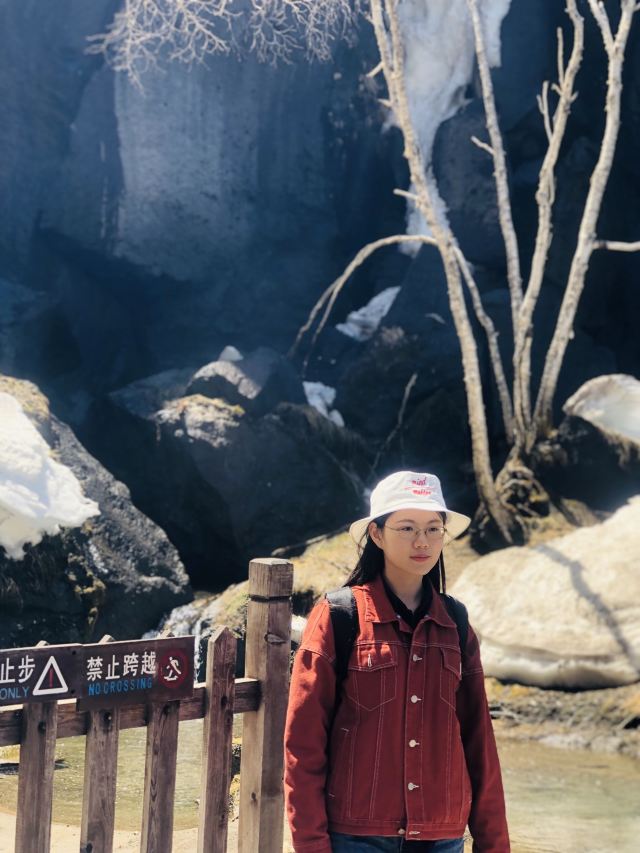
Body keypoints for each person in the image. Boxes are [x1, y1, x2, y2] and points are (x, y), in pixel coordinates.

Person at [284, 471, 510, 853]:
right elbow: (302, 745)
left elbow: (480, 743)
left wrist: (494, 845)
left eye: (433, 529)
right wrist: (312, 845)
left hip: (443, 837)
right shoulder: (339, 615)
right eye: (406, 528)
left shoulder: (455, 624)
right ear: (376, 534)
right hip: (357, 838)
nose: (422, 541)